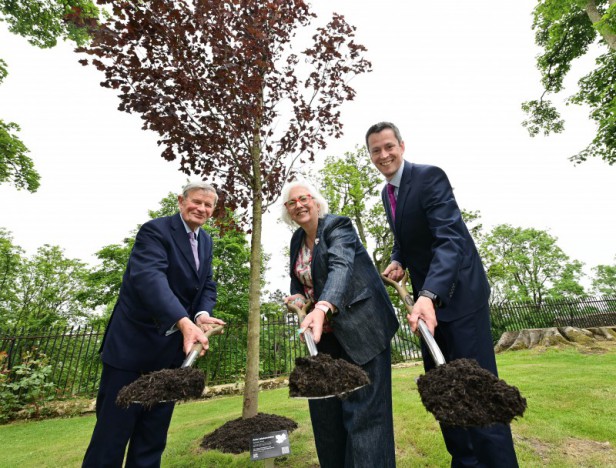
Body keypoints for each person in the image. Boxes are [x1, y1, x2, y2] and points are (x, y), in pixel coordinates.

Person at [366, 121, 519, 467]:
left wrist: (430, 293)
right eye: (376, 150)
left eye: (389, 146)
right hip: (427, 304)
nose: (383, 154)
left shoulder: (429, 177)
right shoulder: (387, 193)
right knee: (444, 389)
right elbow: (407, 238)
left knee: (476, 391)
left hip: (458, 298)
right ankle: (465, 462)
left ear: (402, 146)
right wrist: (398, 259)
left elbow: (450, 239)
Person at [83, 181, 225, 467]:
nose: (201, 208)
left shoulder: (206, 241)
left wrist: (200, 315)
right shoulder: (155, 231)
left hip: (170, 356)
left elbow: (206, 285)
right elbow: (150, 280)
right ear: (181, 201)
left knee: (152, 439)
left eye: (208, 205)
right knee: (111, 436)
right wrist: (184, 322)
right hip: (131, 353)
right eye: (196, 202)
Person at [281, 180, 400, 468]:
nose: (299, 205)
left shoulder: (338, 226)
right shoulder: (297, 241)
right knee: (326, 416)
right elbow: (300, 280)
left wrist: (322, 306)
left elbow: (340, 266)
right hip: (326, 340)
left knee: (365, 417)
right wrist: (298, 296)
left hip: (363, 331)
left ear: (317, 202)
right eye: (292, 202)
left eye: (304, 198)